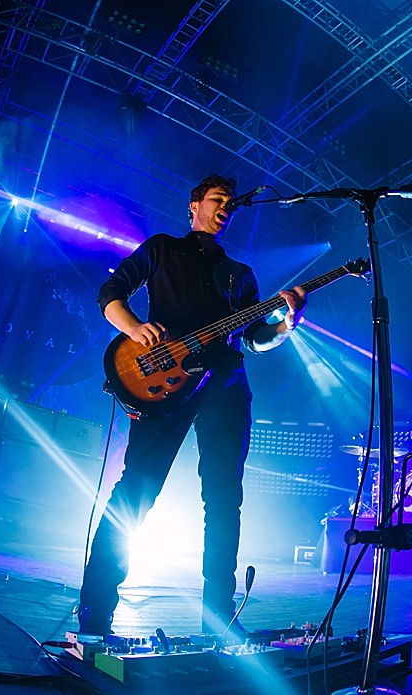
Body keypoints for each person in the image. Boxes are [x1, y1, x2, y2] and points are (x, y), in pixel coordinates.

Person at [77, 174, 307, 637]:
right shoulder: (162, 248)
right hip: (165, 383)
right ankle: (95, 613)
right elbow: (111, 294)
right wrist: (135, 329)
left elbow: (255, 340)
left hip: (225, 386)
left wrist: (288, 321)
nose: (226, 207)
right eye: (217, 200)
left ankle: (218, 622)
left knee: (224, 500)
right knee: (137, 488)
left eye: (230, 204)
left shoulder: (240, 275)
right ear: (194, 206)